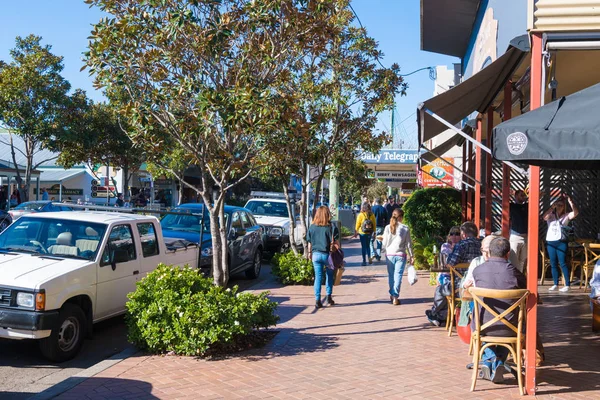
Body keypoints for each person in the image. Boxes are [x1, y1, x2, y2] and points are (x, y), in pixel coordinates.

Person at [471, 236, 526, 383]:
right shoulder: (514, 272)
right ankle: (499, 361)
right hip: (510, 328)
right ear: (508, 254)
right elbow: (526, 290)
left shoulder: (478, 271)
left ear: (488, 252)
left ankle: (491, 358)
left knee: (476, 320)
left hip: (483, 327)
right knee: (515, 322)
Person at [426, 222, 481, 326]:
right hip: (479, 286)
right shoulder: (483, 245)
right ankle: (442, 315)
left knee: (440, 289)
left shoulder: (461, 245)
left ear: (463, 234)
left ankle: (435, 314)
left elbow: (449, 263)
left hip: (459, 287)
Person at [543, 194, 579, 292]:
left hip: (561, 242)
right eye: (557, 205)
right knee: (553, 263)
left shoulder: (566, 215)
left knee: (562, 263)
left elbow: (575, 213)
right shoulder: (551, 215)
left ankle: (567, 284)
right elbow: (544, 217)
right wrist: (552, 207)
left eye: (561, 205)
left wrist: (571, 202)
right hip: (551, 241)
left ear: (564, 207)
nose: (559, 207)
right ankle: (555, 284)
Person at [306, 206, 340, 309]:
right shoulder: (331, 227)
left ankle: (317, 300)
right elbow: (337, 244)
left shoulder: (312, 227)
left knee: (318, 277)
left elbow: (309, 243)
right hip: (328, 255)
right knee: (329, 276)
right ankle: (329, 297)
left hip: (315, 255)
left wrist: (309, 253)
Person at [381, 208, 414, 305]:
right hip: (400, 254)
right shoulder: (405, 228)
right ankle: (395, 296)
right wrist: (411, 255)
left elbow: (385, 243)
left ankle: (392, 294)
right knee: (398, 275)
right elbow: (408, 244)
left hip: (390, 254)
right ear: (401, 217)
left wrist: (381, 240)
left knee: (391, 276)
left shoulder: (387, 227)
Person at [509, 189, 528, 273]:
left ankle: (519, 277)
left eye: (524, 195)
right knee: (514, 258)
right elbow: (501, 201)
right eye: (521, 195)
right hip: (515, 236)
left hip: (525, 236)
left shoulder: (527, 206)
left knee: (523, 260)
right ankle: (513, 276)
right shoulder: (512, 206)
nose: (523, 197)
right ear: (516, 196)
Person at [354, 202, 376, 266]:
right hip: (369, 232)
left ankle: (364, 261)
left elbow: (357, 224)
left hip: (362, 232)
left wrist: (356, 231)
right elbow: (374, 224)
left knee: (363, 247)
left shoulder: (360, 215)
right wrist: (374, 232)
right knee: (368, 246)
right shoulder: (372, 215)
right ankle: (369, 258)